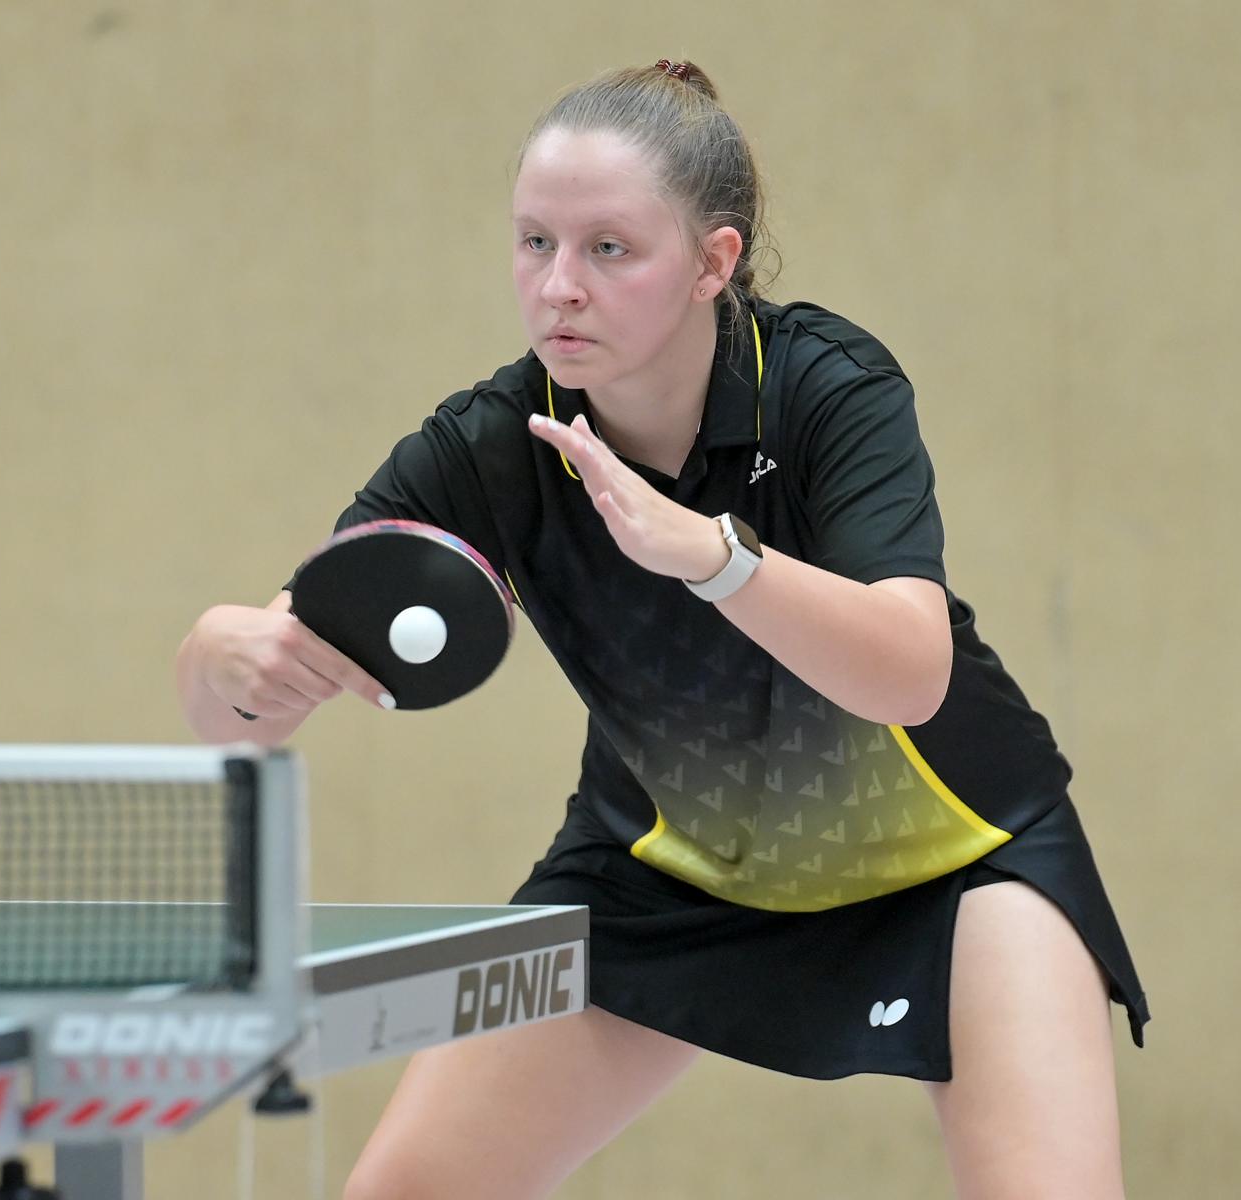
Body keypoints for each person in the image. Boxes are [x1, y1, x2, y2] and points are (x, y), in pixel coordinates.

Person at [177, 59, 1150, 1200]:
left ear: (712, 263)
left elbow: (912, 672)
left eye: (609, 248)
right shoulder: (490, 448)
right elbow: (246, 718)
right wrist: (219, 652)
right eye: (534, 242)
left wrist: (715, 557)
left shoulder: (826, 389)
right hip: (667, 869)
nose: (559, 287)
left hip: (956, 857)